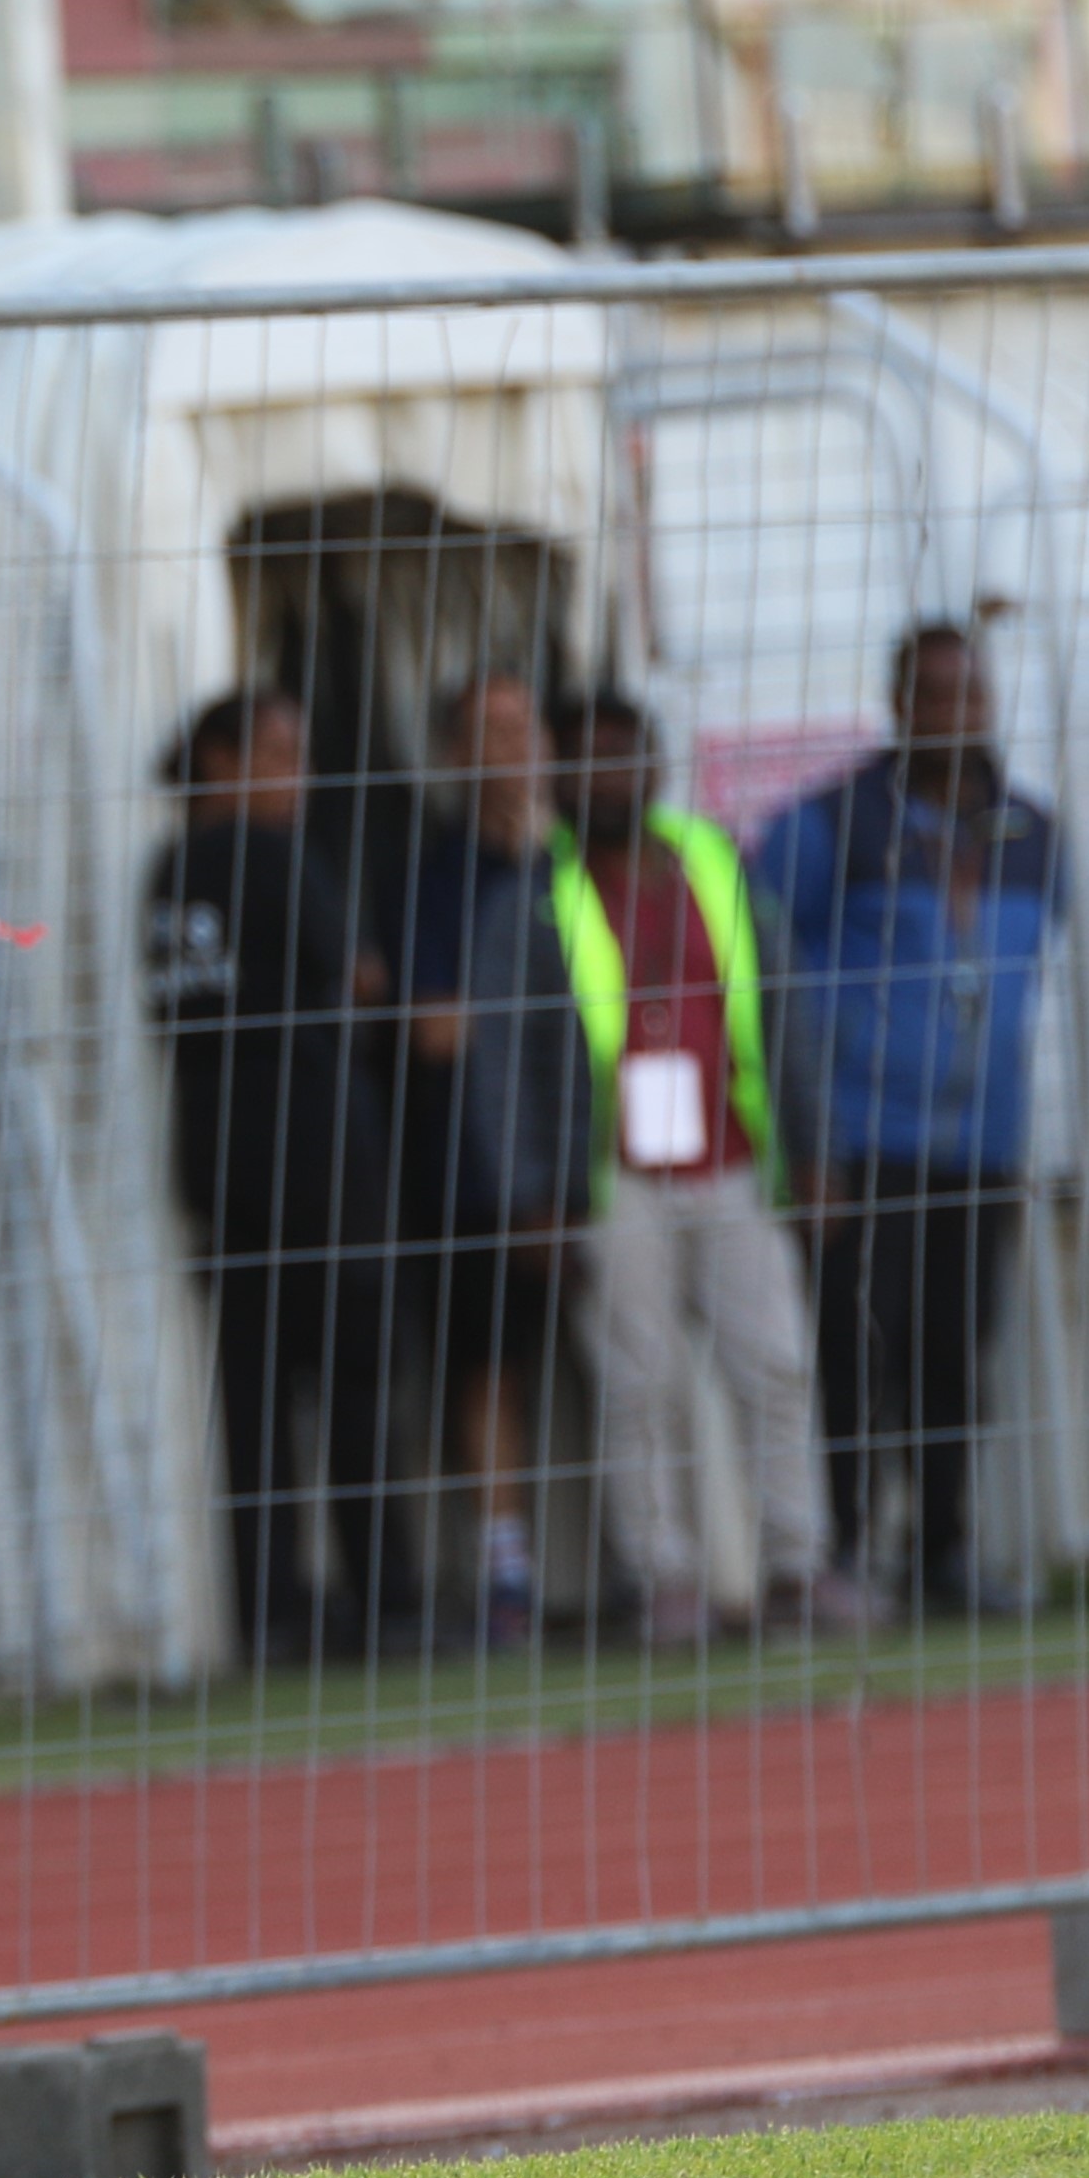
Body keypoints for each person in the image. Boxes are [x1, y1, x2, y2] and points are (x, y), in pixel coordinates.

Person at [758, 626, 1068, 1618]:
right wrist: (808, 1141)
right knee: (855, 1348)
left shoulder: (1032, 829)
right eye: (930, 693)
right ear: (897, 703)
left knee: (954, 1348)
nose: (952, 711)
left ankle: (944, 1547)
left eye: (966, 691)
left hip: (980, 1143)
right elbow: (771, 979)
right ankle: (845, 1549)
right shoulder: (828, 821)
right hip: (859, 1139)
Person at [554, 696, 857, 1648]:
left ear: (652, 765)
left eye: (625, 755)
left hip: (733, 1158)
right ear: (560, 776)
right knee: (636, 1383)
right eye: (588, 759)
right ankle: (664, 1581)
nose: (609, 776)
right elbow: (510, 1052)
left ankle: (796, 1568)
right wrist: (534, 1190)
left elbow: (783, 1006)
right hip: (615, 1175)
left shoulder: (714, 861)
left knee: (773, 1365)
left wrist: (809, 1148)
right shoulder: (539, 887)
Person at [148, 691, 407, 1663]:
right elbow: (361, 972)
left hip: (219, 1156)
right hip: (314, 1150)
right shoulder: (268, 852)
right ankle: (382, 1599)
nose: (295, 775)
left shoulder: (168, 868)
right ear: (220, 758)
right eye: (278, 752)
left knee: (253, 1398)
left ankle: (270, 1611)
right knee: (349, 1381)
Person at [404, 673, 600, 1653]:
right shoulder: (437, 878)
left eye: (526, 727)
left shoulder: (598, 859)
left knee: (638, 1358)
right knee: (491, 1370)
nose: (515, 747)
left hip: (617, 1159)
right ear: (451, 753)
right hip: (482, 1168)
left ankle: (683, 1568)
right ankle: (507, 1577)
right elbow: (438, 1030)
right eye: (490, 730)